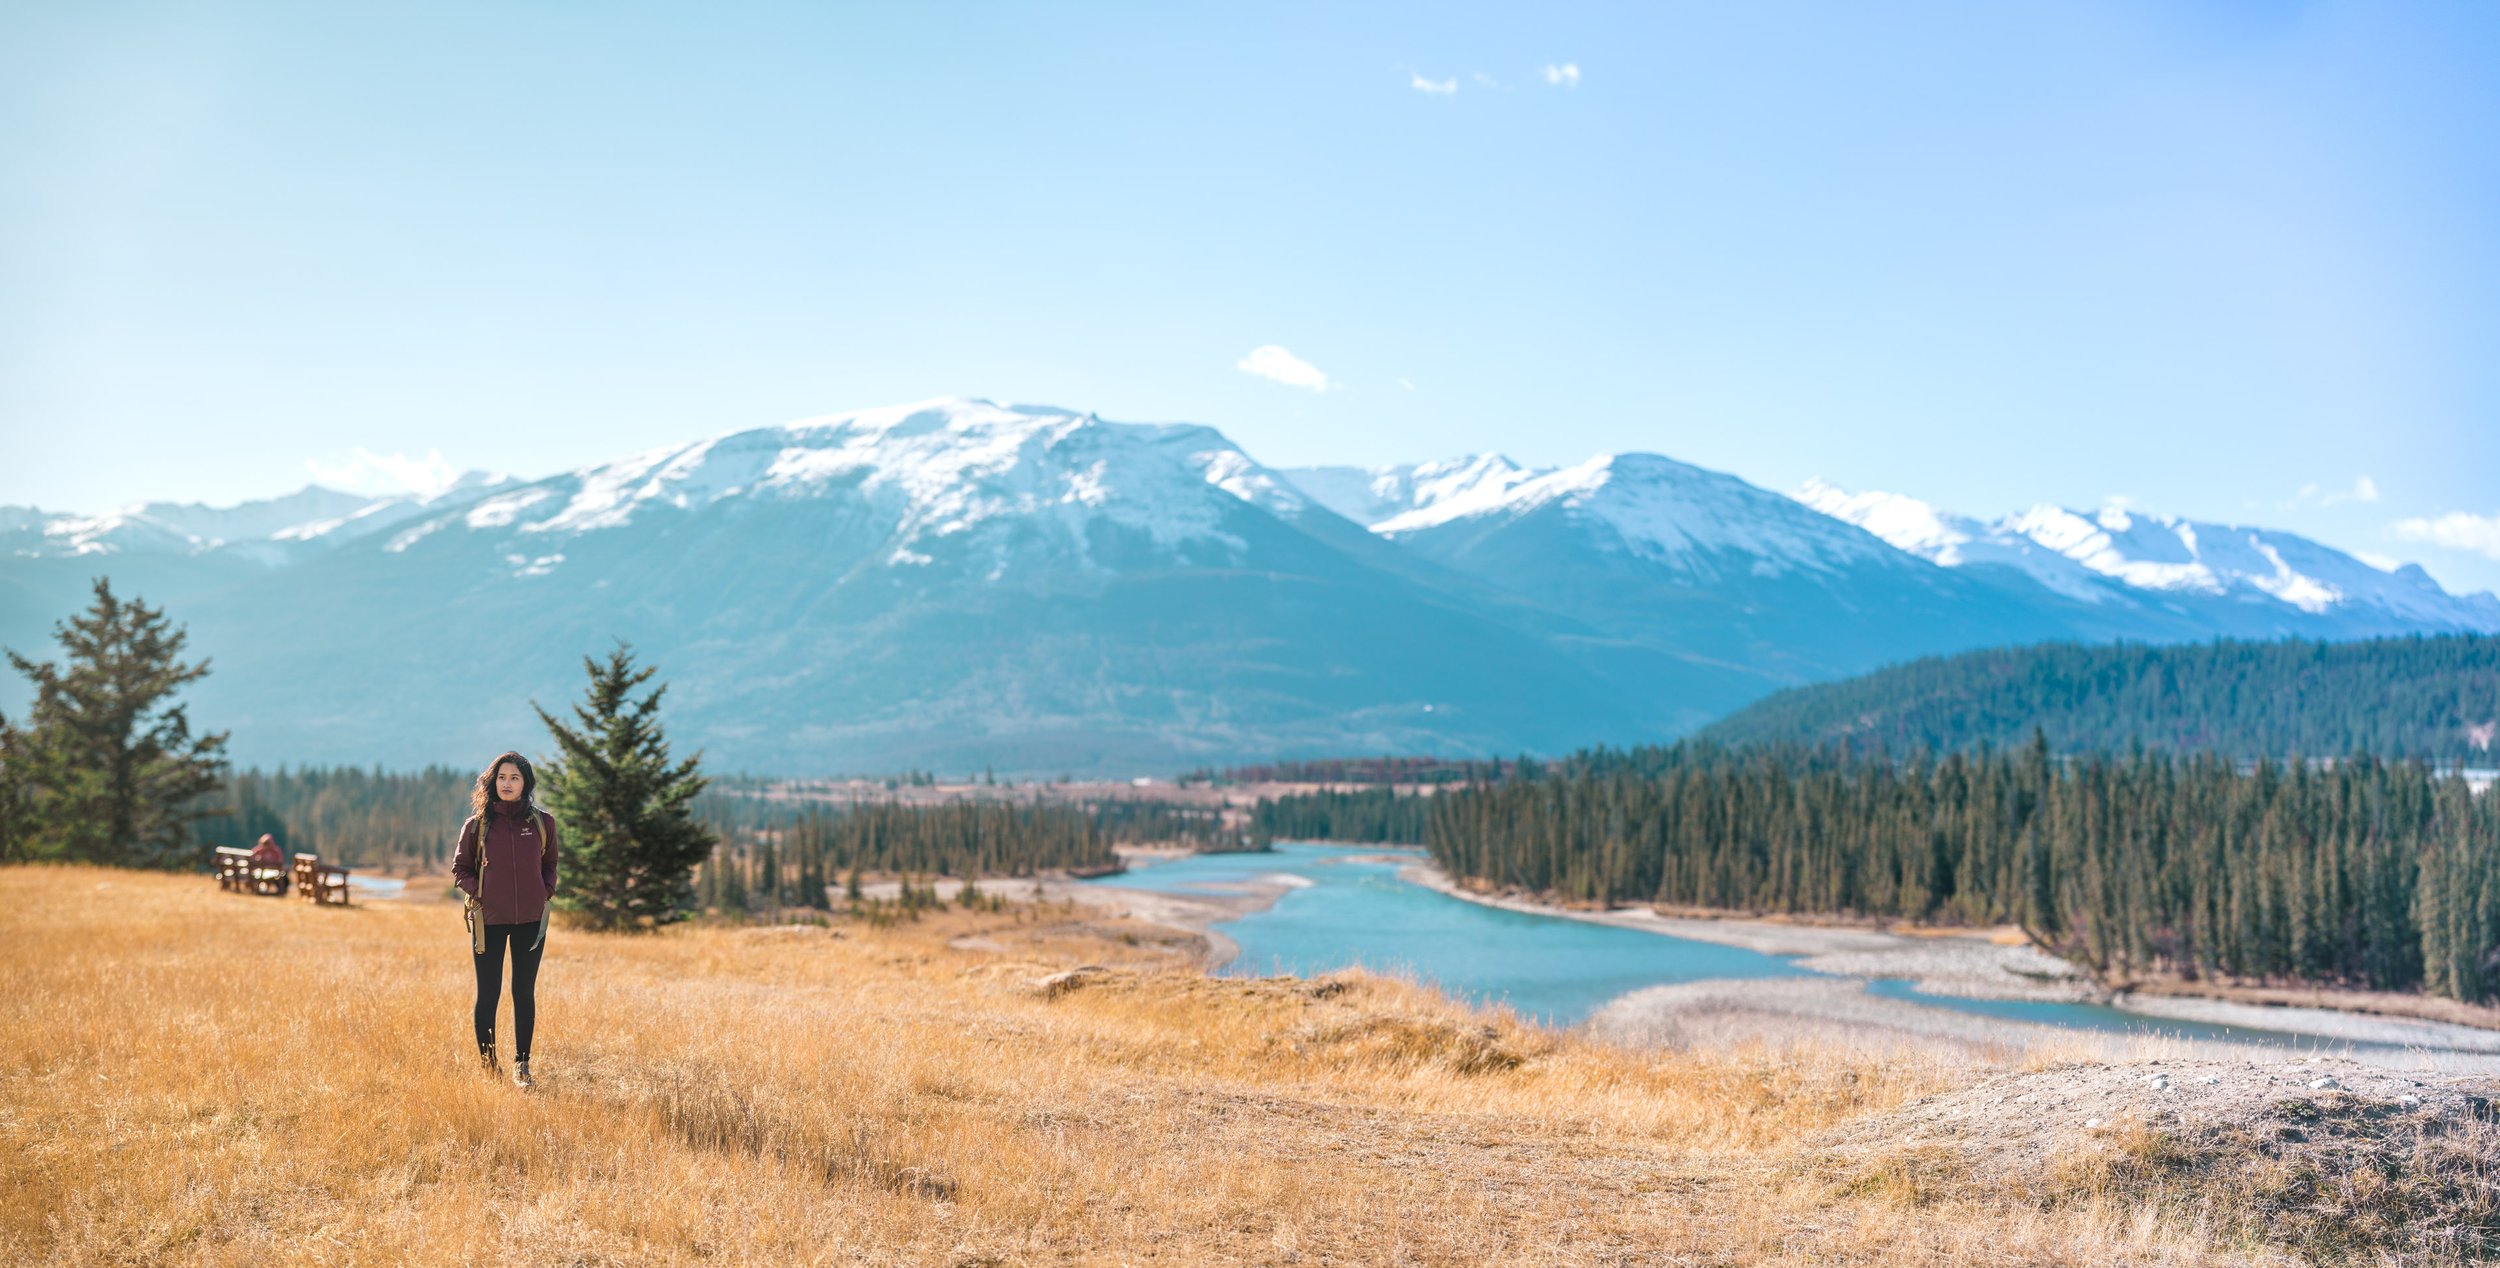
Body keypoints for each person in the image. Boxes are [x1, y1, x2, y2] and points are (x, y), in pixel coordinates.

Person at [450, 750, 561, 1089]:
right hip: (489, 922)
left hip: (530, 920)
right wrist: (479, 893)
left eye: (514, 777)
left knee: (523, 992)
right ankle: (489, 1065)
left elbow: (550, 864)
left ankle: (522, 1066)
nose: (507, 783)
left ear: (525, 783)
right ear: (492, 782)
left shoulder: (542, 823)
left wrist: (545, 890)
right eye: (501, 777)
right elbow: (460, 869)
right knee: (488, 994)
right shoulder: (477, 826)